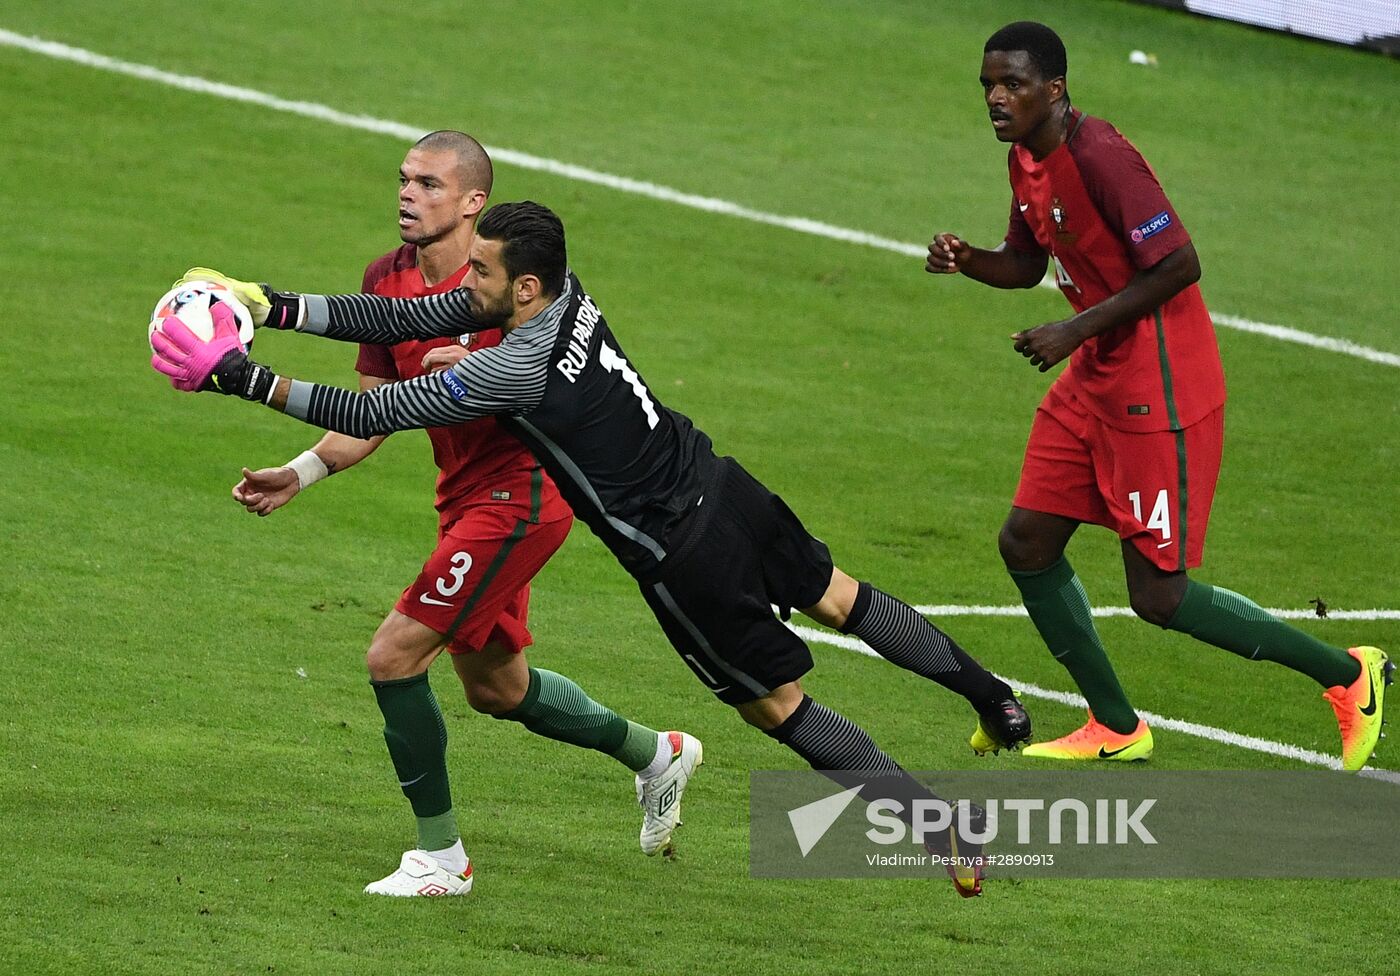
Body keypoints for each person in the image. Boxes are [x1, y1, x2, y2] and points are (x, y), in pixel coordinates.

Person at [150, 201, 1033, 896]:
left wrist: (243, 375)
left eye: (484, 270)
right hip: (724, 483)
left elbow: (372, 412)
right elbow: (417, 309)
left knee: (779, 707)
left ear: (522, 286)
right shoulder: (565, 294)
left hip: (681, 552)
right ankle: (995, 699)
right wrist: (270, 303)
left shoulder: (516, 365)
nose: (469, 282)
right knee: (844, 596)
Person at [222, 133, 700, 899]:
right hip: (464, 497)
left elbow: (544, 377)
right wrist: (303, 471)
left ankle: (441, 858)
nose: (408, 194)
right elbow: (375, 410)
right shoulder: (387, 279)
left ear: (473, 202)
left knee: (394, 656)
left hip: (526, 496)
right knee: (498, 689)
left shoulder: (517, 282)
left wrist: (250, 379)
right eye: (404, 180)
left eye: (430, 184)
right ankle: (657, 753)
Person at [924, 21, 1389, 767]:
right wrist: (967, 260)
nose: (995, 98)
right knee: (1027, 542)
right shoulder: (1026, 159)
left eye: (1011, 84)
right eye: (987, 84)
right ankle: (1116, 724)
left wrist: (1073, 330)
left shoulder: (1101, 154)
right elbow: (1022, 260)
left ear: (1055, 89)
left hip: (1158, 389)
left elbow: (1179, 265)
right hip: (1095, 381)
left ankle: (1347, 675)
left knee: (1159, 596)